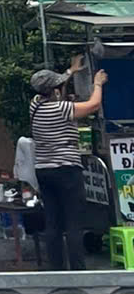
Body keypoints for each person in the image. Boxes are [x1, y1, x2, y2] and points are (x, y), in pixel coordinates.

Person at [29, 54, 107, 270]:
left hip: (44, 170)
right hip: (67, 170)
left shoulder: (34, 106)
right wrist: (97, 84)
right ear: (55, 91)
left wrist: (71, 71)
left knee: (53, 222)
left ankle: (56, 270)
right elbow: (93, 105)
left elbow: (55, 87)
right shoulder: (63, 109)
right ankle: (78, 271)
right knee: (74, 222)